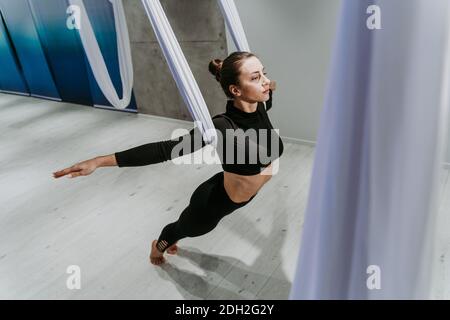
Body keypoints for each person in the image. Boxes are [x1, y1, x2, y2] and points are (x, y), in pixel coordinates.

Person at [53, 51, 284, 265]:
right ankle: (158, 246)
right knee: (182, 229)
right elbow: (165, 150)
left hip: (241, 191)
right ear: (235, 90)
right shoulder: (222, 126)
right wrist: (98, 161)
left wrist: (246, 77)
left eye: (264, 73)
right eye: (256, 77)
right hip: (214, 204)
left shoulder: (261, 103)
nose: (265, 81)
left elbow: (269, 86)